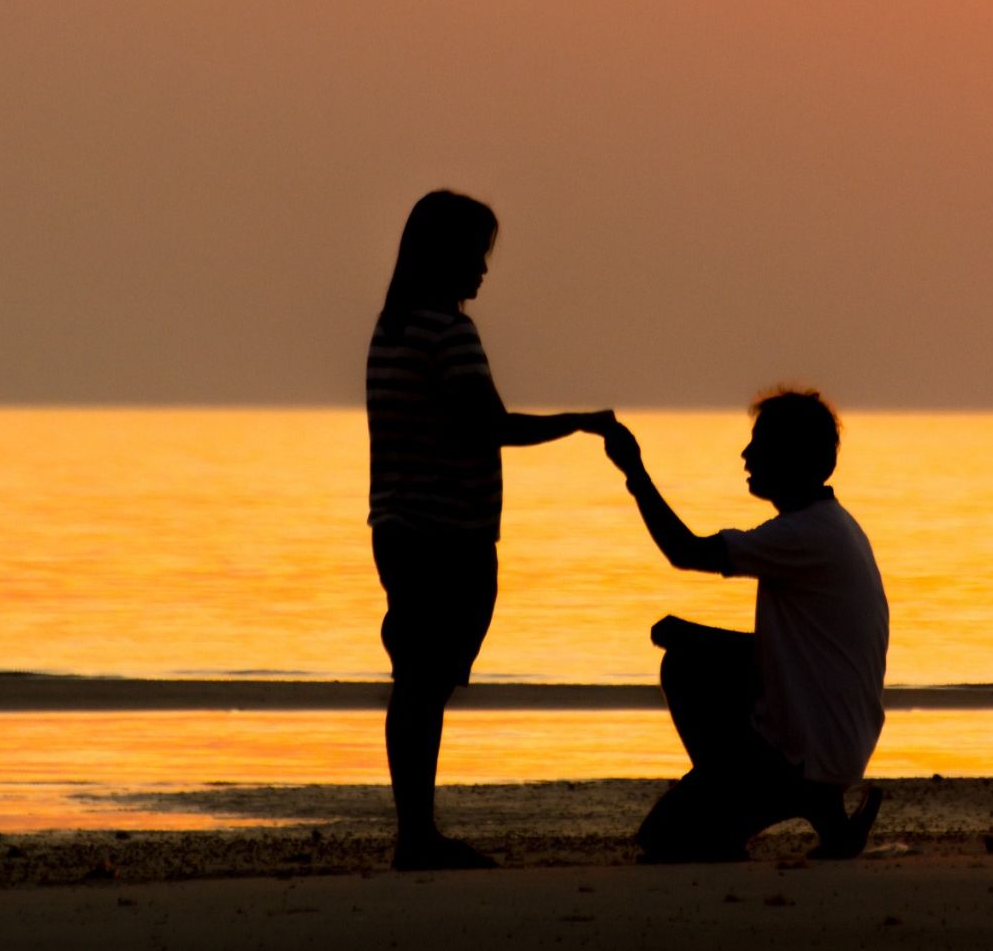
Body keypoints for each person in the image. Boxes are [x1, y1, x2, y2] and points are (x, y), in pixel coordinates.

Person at [367, 189, 612, 870]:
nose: (482, 269)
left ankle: (415, 830)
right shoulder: (447, 332)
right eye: (475, 254)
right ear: (444, 256)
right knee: (425, 681)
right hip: (446, 535)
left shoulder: (392, 331)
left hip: (396, 526)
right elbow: (489, 425)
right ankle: (417, 837)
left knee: (416, 678)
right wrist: (579, 423)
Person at [601, 389, 890, 862]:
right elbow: (790, 652)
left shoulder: (803, 534)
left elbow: (685, 551)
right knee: (694, 652)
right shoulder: (833, 528)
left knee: (664, 840)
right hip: (835, 745)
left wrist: (635, 472)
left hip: (805, 755)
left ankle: (735, 801)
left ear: (791, 457)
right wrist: (696, 636)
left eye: (760, 444)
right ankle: (818, 815)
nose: (747, 455)